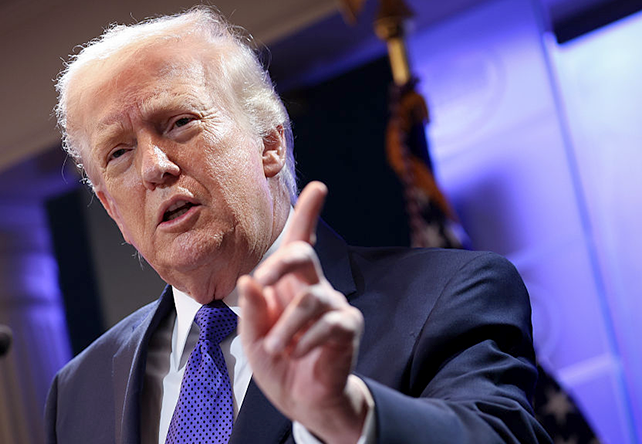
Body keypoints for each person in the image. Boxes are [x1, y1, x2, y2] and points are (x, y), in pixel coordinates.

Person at [45, 6, 551, 444]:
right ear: (113, 211)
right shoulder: (78, 390)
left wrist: (343, 414)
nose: (154, 166)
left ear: (270, 143)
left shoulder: (448, 297)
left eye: (179, 122)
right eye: (118, 153)